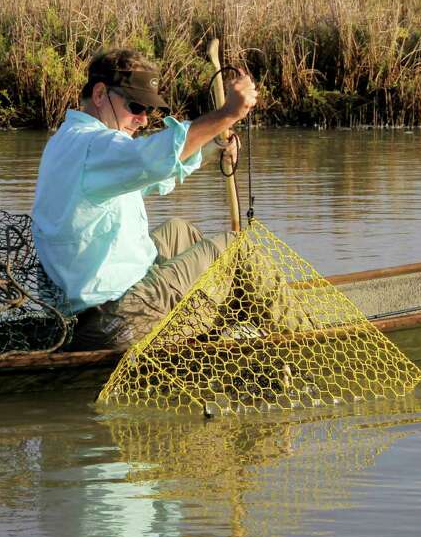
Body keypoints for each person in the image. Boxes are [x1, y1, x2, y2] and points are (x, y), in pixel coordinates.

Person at [31, 48, 256, 349]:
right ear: (100, 94)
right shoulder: (94, 145)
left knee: (179, 231)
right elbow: (151, 160)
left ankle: (237, 320)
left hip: (91, 309)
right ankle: (300, 332)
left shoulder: (68, 139)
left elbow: (151, 176)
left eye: (147, 110)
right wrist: (229, 113)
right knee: (237, 248)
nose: (141, 119)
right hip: (115, 321)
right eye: (135, 106)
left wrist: (213, 147)